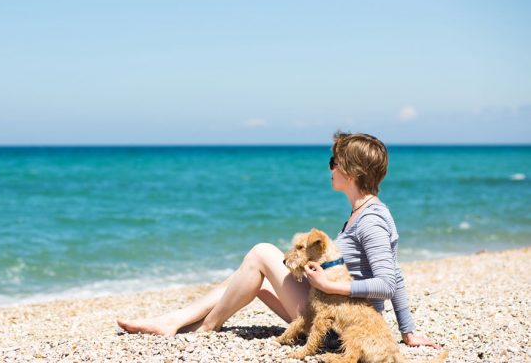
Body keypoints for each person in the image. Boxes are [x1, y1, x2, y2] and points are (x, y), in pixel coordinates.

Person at [117, 132, 440, 348]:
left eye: (333, 163)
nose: (329, 170)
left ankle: (202, 329)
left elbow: (386, 283)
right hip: (330, 313)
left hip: (339, 328)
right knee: (249, 275)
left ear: (351, 173)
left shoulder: (371, 220)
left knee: (261, 252)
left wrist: (330, 286)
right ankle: (175, 322)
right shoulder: (363, 214)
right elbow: (394, 275)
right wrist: (408, 333)